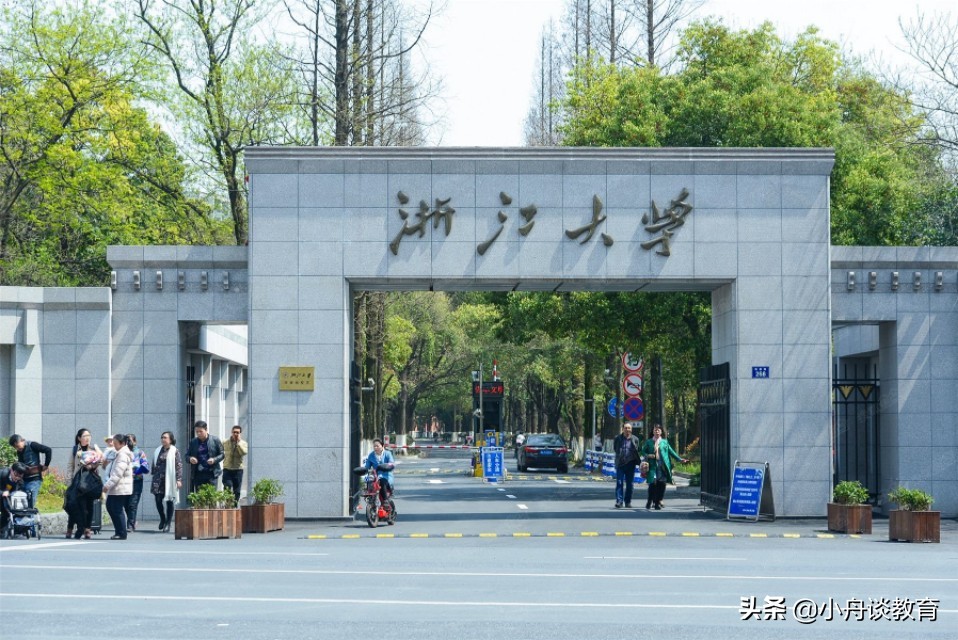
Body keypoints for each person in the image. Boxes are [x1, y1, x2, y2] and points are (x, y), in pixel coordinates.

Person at [65, 429, 103, 539]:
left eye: (89, 435)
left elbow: (100, 461)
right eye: (85, 436)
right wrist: (69, 482)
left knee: (89, 505)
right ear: (79, 438)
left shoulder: (94, 449)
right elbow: (70, 466)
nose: (87, 438)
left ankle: (87, 529)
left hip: (90, 481)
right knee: (74, 504)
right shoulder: (75, 449)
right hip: (77, 481)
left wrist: (93, 465)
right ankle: (70, 528)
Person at [643, 424, 689, 510]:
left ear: (661, 432)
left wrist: (679, 459)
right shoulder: (649, 442)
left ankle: (657, 502)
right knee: (653, 484)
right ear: (653, 431)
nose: (657, 431)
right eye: (655, 430)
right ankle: (650, 500)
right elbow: (643, 451)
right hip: (652, 466)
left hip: (663, 466)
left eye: (658, 430)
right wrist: (648, 455)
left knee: (662, 485)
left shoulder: (664, 442)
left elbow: (671, 452)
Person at [8, 434, 52, 510]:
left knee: (30, 505)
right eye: (15, 447)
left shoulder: (32, 445)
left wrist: (46, 465)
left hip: (34, 480)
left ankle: (31, 517)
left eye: (17, 446)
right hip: (24, 480)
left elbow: (48, 450)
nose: (17, 448)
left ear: (21, 441)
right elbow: (21, 465)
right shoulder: (19, 451)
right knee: (22, 504)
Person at [102, 433, 133, 540]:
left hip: (120, 487)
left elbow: (117, 473)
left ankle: (121, 533)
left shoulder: (123, 455)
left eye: (115, 443)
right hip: (117, 487)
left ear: (122, 443)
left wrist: (107, 485)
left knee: (116, 509)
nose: (113, 445)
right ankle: (119, 531)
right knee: (111, 507)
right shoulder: (119, 453)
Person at [152, 431, 183, 533]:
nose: (163, 439)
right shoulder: (158, 450)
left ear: (170, 439)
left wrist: (179, 479)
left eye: (165, 437)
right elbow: (154, 463)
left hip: (169, 479)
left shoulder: (175, 451)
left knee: (169, 501)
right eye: (162, 437)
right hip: (158, 479)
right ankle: (163, 518)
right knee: (158, 500)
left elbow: (179, 465)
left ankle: (168, 523)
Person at [187, 420, 224, 491]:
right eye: (197, 432)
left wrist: (214, 460)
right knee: (199, 495)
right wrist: (190, 459)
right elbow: (187, 455)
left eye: (201, 431)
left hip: (212, 473)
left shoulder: (215, 440)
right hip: (198, 474)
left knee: (211, 495)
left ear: (206, 430)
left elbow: (222, 454)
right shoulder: (193, 442)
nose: (198, 433)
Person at [612, 422, 642, 508]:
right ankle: (619, 501)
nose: (627, 430)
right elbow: (615, 448)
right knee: (619, 482)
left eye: (629, 428)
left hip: (631, 464)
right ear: (623, 429)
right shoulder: (618, 438)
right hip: (620, 464)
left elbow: (638, 449)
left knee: (630, 484)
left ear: (631, 429)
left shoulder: (635, 439)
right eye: (625, 428)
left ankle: (628, 502)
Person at [125, 434, 149, 531]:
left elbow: (146, 467)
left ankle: (130, 525)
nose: (128, 443)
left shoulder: (139, 452)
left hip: (136, 481)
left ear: (135, 441)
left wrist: (136, 471)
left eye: (129, 440)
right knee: (126, 504)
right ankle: (133, 521)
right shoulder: (122, 452)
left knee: (133, 504)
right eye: (126, 440)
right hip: (124, 482)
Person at [222, 425, 248, 504]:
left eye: (237, 432)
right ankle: (227, 504)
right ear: (231, 432)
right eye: (234, 432)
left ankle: (235, 505)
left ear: (240, 433)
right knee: (227, 486)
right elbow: (219, 451)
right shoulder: (225, 442)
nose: (235, 434)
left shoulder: (243, 443)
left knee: (237, 490)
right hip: (227, 468)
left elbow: (244, 453)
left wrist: (238, 443)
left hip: (238, 469)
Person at [363, 438, 395, 504]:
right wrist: (364, 469)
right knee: (368, 480)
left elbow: (391, 463)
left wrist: (387, 466)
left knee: (382, 481)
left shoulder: (387, 453)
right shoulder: (371, 455)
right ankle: (370, 498)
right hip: (375, 475)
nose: (375, 447)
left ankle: (385, 500)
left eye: (377, 446)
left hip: (386, 476)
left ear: (382, 446)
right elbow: (367, 466)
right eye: (374, 446)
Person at [0, 462, 26, 531]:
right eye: (16, 475)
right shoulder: (2, 473)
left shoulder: (20, 481)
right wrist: (2, 492)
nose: (17, 478)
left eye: (20, 476)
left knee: (7, 512)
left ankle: (3, 530)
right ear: (11, 470)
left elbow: (19, 489)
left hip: (6, 497)